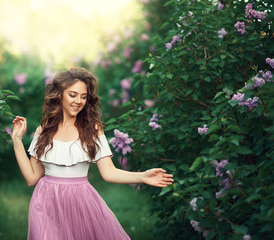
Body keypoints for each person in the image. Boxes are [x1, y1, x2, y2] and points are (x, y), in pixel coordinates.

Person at [11, 67, 174, 240]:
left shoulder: (93, 129)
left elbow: (109, 172)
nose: (78, 101)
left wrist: (142, 177)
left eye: (83, 96)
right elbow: (32, 178)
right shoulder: (43, 130)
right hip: (45, 202)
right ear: (60, 95)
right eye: (72, 95)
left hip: (80, 201)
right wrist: (17, 140)